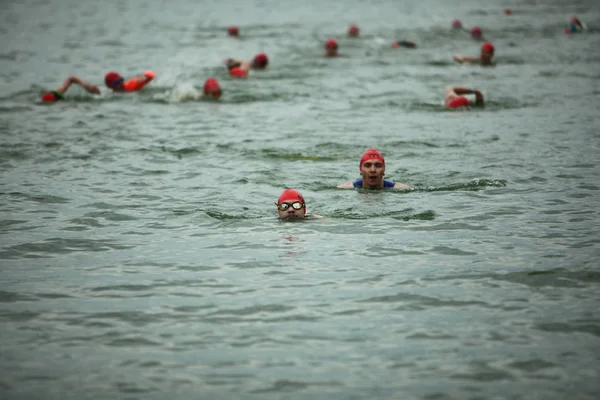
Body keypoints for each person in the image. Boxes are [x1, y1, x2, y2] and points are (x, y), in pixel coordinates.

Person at [337, 148, 412, 190]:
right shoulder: (344, 189)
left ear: (384, 170)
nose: (373, 170)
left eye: (378, 165)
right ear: (360, 170)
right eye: (367, 165)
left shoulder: (401, 189)